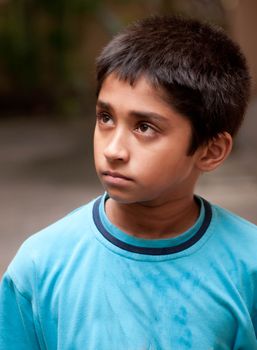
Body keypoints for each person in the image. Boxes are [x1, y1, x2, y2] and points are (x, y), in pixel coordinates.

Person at [0, 15, 256, 350]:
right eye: (105, 118)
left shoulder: (248, 267)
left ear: (211, 150)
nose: (114, 149)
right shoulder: (40, 265)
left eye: (145, 127)